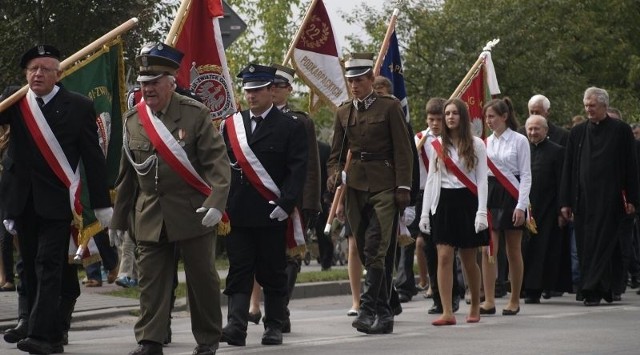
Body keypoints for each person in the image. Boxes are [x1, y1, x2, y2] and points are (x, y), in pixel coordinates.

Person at [110, 43, 230, 355]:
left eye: (153, 83)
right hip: (149, 211)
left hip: (193, 211)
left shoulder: (195, 114)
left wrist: (216, 202)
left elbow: (217, 163)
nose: (147, 89)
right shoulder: (133, 119)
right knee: (151, 282)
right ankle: (150, 339)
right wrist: (118, 219)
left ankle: (207, 340)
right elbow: (127, 175)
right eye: (143, 83)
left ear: (171, 82)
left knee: (201, 281)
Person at [0, 44, 112, 354]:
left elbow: (93, 158)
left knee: (48, 264)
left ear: (58, 74)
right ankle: (38, 324)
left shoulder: (78, 106)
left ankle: (41, 334)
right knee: (30, 267)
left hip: (57, 201)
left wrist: (102, 203)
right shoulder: (15, 99)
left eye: (45, 69)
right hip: (21, 198)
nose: (37, 74)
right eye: (32, 69)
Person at [221, 64, 307, 346]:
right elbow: (222, 167)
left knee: (272, 270)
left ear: (272, 90)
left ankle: (274, 324)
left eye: (257, 90)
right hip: (239, 211)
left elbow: (297, 170)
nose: (251, 96)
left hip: (272, 211)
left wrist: (286, 203)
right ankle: (235, 325)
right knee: (239, 269)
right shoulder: (232, 125)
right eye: (247, 90)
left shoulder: (291, 127)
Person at [327, 53, 413, 334]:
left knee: (376, 245)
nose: (354, 85)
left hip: (385, 184)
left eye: (359, 80)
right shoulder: (343, 112)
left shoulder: (389, 108)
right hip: (355, 187)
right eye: (350, 81)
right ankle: (386, 311)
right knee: (369, 249)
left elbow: (404, 150)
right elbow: (336, 154)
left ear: (370, 80)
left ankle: (367, 310)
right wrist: (334, 174)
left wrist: (403, 187)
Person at [560, 87, 639, 306]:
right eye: (586, 105)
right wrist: (565, 201)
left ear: (604, 105)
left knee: (608, 244)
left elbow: (630, 166)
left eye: (592, 105)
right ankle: (590, 287)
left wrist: (632, 198)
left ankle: (601, 288)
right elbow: (569, 167)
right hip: (584, 200)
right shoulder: (577, 132)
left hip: (611, 199)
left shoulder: (621, 130)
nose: (588, 109)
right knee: (586, 245)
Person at [419, 98, 489, 325]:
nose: (449, 117)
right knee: (444, 256)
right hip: (444, 202)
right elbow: (431, 180)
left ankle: (476, 305)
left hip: (468, 201)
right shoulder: (437, 144)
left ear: (462, 116)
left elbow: (482, 180)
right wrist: (424, 214)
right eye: (446, 114)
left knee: (469, 258)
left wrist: (481, 211)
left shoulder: (477, 144)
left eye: (454, 113)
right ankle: (447, 310)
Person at [481, 97, 531, 316]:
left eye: (492, 116)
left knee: (513, 250)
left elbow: (527, 175)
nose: (488, 121)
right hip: (491, 193)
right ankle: (489, 299)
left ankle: (514, 299)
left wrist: (522, 206)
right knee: (488, 249)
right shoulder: (485, 142)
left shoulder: (520, 140)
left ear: (504, 116)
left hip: (512, 194)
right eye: (486, 117)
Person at [522, 115, 573, 304]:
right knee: (525, 249)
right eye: (530, 129)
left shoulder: (558, 152)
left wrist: (562, 209)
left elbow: (562, 182)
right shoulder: (523, 149)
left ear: (546, 130)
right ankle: (524, 287)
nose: (533, 132)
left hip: (548, 209)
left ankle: (537, 289)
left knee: (544, 250)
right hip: (525, 207)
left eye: (537, 129)